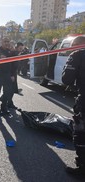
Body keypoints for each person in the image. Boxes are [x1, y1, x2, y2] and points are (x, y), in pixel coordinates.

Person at [62, 36, 85, 176]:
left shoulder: (77, 54)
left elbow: (66, 79)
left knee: (81, 134)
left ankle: (82, 167)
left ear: (77, 45)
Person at [0, 37, 15, 115]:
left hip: (7, 75)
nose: (7, 43)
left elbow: (12, 64)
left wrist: (12, 75)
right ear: (1, 42)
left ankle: (4, 107)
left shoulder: (10, 51)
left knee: (7, 92)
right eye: (5, 41)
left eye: (8, 41)